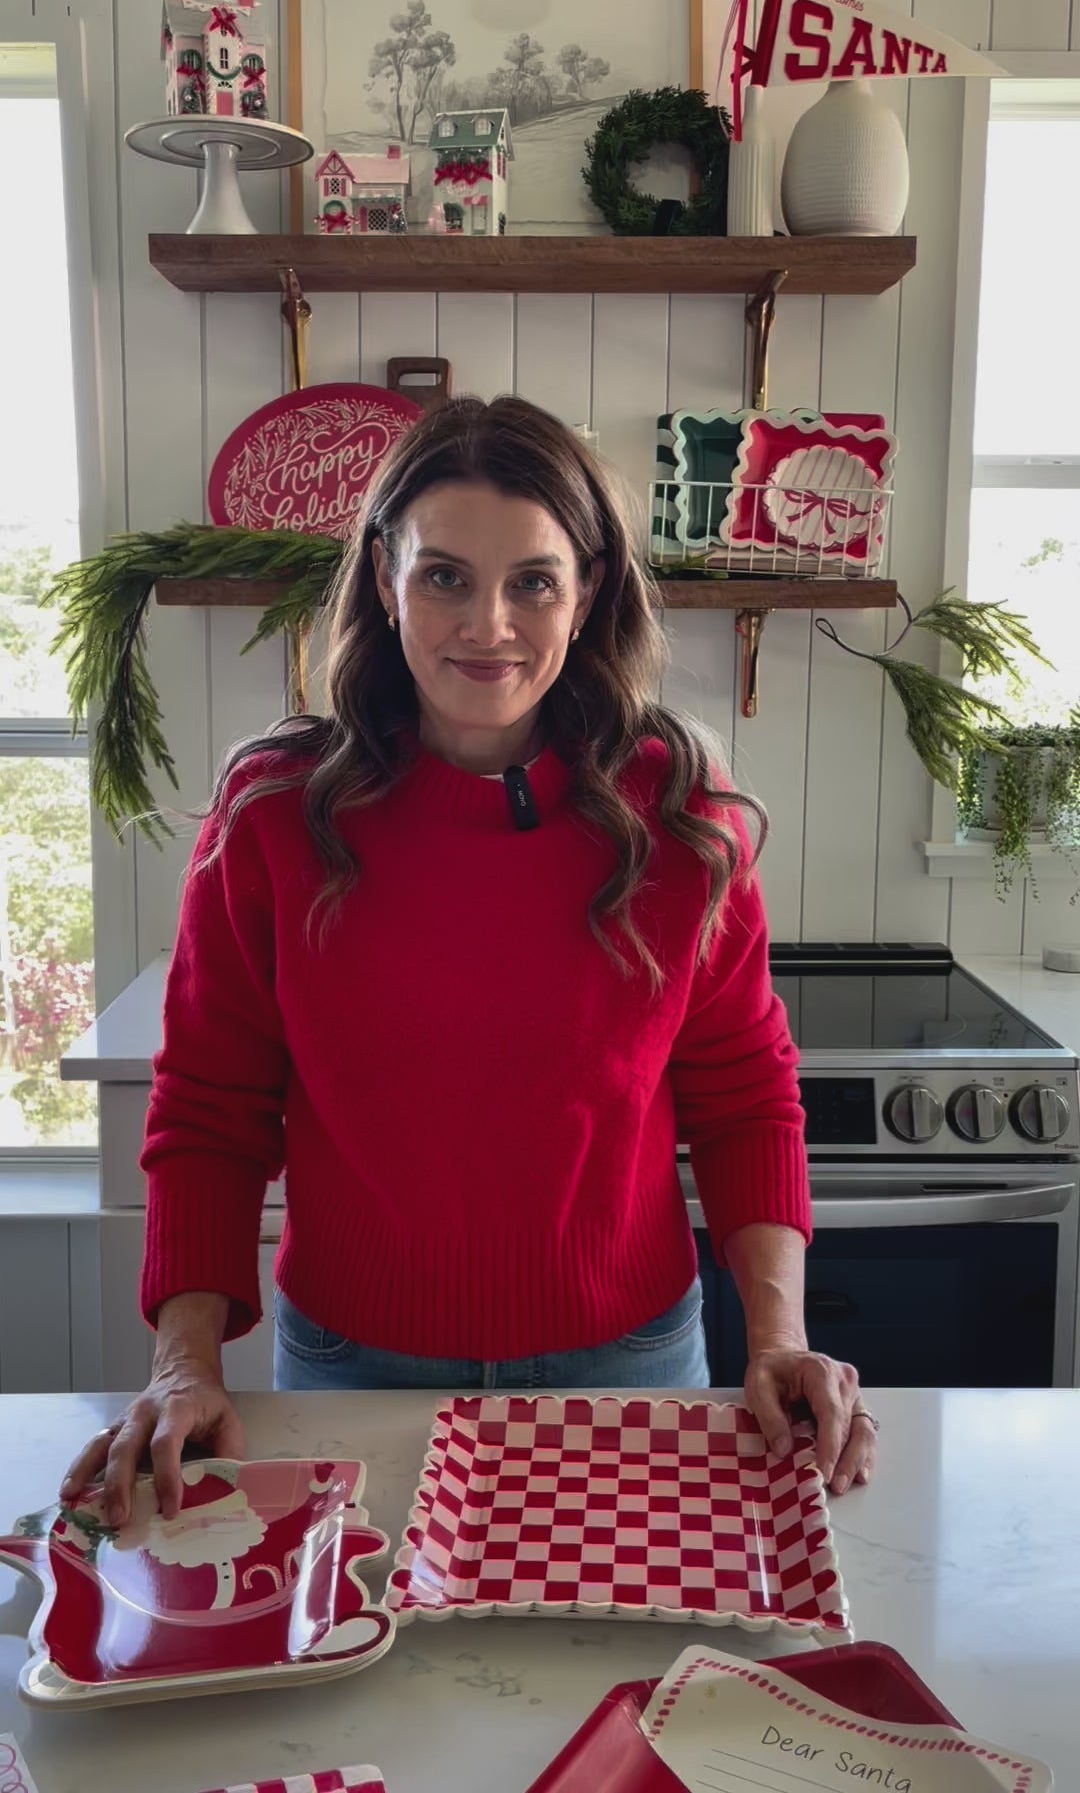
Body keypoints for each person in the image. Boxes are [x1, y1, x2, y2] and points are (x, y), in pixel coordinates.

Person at [62, 396, 877, 1529]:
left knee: (621, 1688)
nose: (486, 623)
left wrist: (781, 1337)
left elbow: (743, 1092)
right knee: (360, 1688)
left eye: (532, 582)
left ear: (587, 592)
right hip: (353, 1363)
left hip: (630, 1362)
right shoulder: (272, 817)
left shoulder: (684, 814)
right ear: (383, 578)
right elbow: (209, 1107)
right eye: (444, 575)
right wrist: (180, 1362)